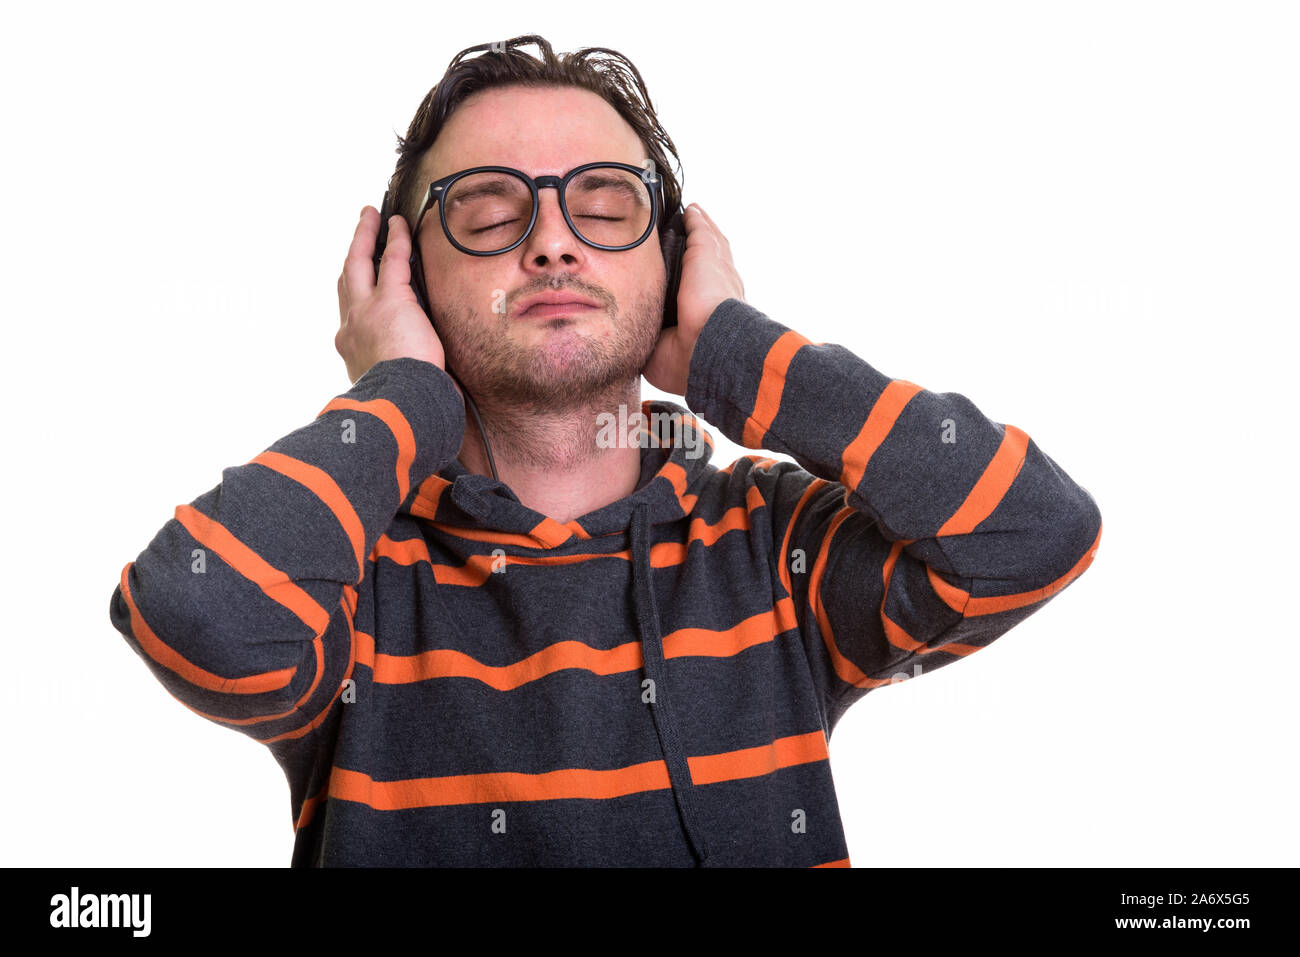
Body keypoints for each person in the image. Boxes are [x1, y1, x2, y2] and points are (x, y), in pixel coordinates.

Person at [108, 35, 1102, 867]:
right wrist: (399, 392)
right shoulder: (346, 566)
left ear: (667, 259)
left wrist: (733, 351)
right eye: (490, 210)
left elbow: (1033, 532)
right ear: (402, 277)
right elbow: (198, 614)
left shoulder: (769, 545)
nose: (550, 243)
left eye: (605, 203)